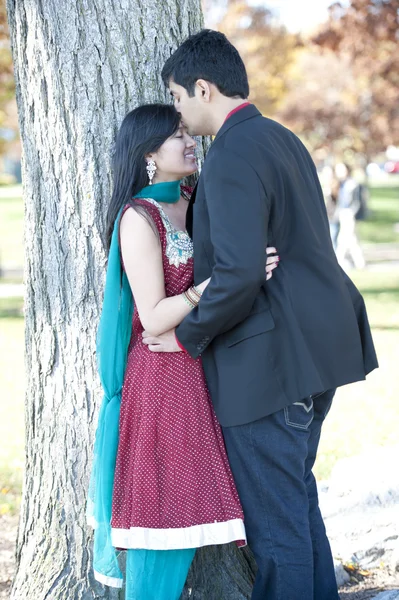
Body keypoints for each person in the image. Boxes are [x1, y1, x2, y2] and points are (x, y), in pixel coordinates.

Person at [143, 30, 379, 600]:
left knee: (276, 530)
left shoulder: (229, 152)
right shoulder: (281, 137)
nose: (178, 109)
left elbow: (241, 273)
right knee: (295, 504)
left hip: (270, 363)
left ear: (203, 88)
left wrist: (186, 337)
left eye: (177, 96)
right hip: (316, 353)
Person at [87, 103, 279, 599]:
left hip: (201, 366)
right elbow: (152, 315)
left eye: (186, 133)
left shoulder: (196, 199)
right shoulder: (138, 217)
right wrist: (219, 285)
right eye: (177, 136)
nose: (191, 140)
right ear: (149, 152)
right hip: (161, 375)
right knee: (165, 510)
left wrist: (253, 268)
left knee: (198, 503)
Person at [334, 163, 366, 270]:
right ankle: (356, 262)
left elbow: (357, 202)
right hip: (343, 213)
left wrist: (352, 213)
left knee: (346, 239)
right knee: (349, 239)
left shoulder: (353, 184)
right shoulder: (341, 184)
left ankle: (340, 261)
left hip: (349, 214)